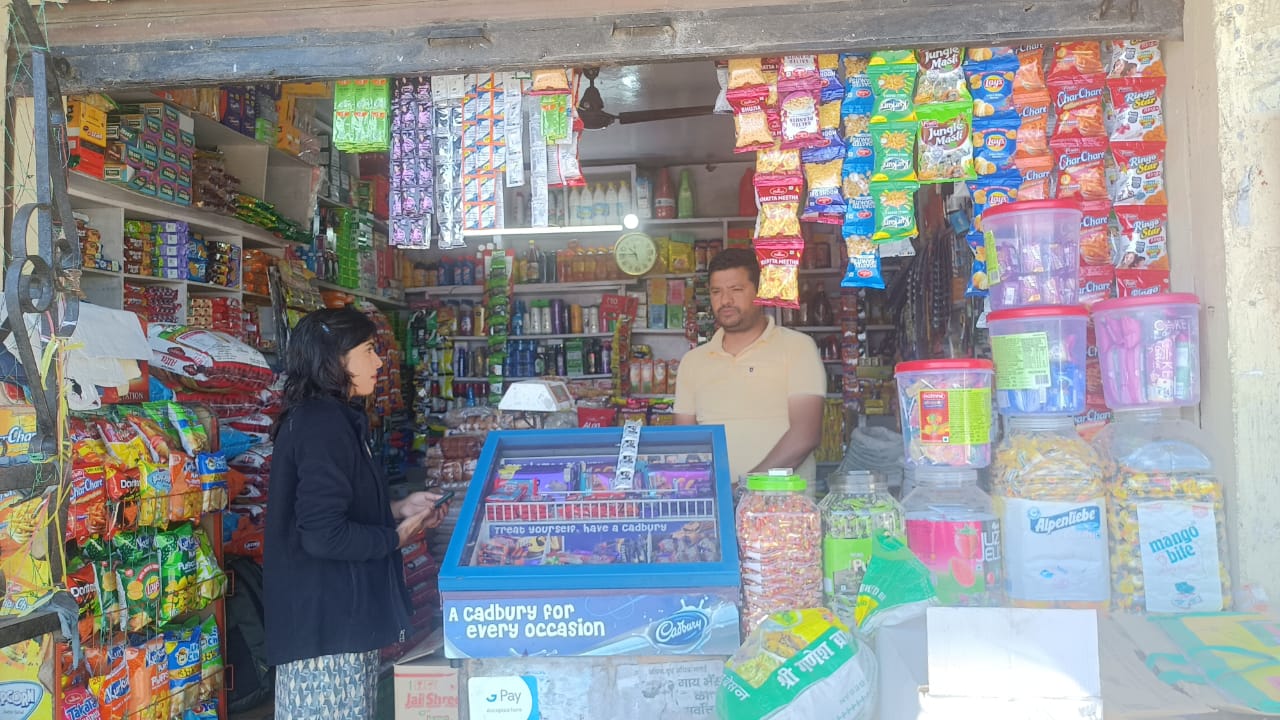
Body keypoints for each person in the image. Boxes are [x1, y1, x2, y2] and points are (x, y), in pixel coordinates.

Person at [264, 307, 448, 719]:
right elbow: (322, 534)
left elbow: (337, 507)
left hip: (340, 627)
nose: (379, 362)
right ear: (334, 359)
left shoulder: (333, 418)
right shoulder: (321, 425)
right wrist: (396, 537)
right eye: (367, 350)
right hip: (326, 633)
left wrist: (398, 509)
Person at [674, 248, 827, 488]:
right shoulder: (692, 362)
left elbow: (805, 435)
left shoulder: (797, 347)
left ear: (760, 292)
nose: (725, 300)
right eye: (716, 292)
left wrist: (744, 488)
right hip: (718, 503)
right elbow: (686, 443)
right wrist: (713, 493)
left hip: (785, 504)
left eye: (736, 290)